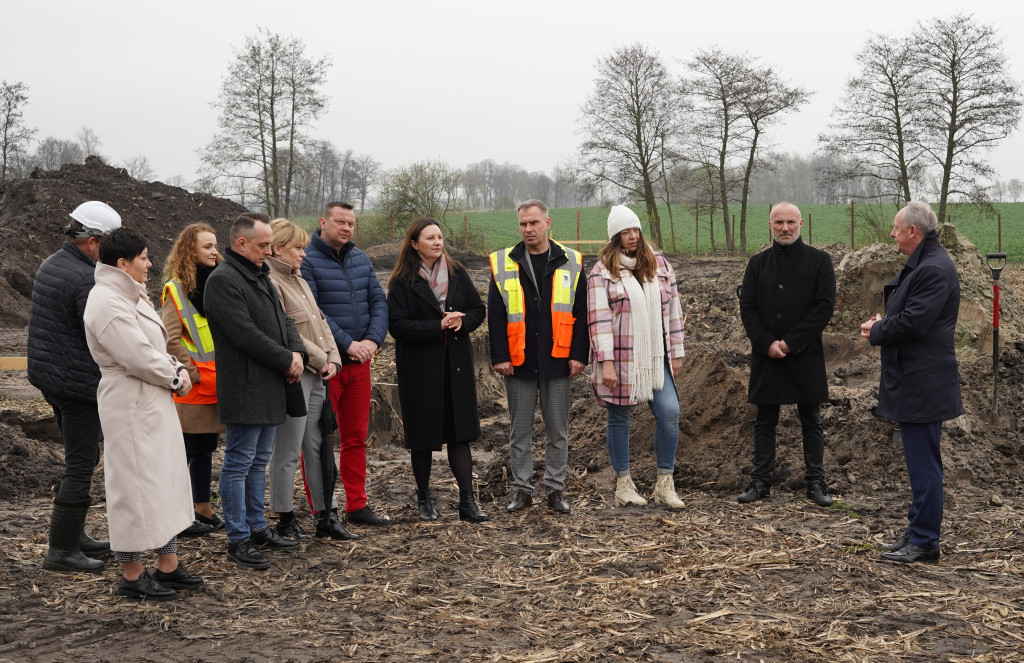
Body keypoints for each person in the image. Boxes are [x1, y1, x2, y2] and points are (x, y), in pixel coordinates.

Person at [83, 227, 203, 600]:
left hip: (151, 399)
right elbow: (134, 355)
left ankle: (168, 565)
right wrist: (175, 375)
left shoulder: (129, 295)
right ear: (123, 263)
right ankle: (132, 574)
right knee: (133, 490)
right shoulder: (105, 300)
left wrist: (173, 368)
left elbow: (152, 347)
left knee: (162, 482)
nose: (151, 264)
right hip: (130, 402)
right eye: (145, 258)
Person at [860, 202, 963, 564]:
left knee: (924, 466)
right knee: (920, 463)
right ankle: (916, 532)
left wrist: (878, 330)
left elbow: (915, 323)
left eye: (895, 228)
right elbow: (909, 314)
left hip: (924, 382)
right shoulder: (927, 263)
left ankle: (924, 541)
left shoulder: (934, 268)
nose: (891, 234)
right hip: (915, 379)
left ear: (913, 232)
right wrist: (883, 323)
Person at [204, 214, 307, 569]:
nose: (269, 250)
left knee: (259, 460)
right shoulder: (223, 281)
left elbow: (285, 322)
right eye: (263, 245)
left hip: (269, 383)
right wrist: (286, 360)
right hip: (245, 385)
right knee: (238, 462)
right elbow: (244, 333)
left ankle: (258, 527)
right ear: (241, 243)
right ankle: (238, 537)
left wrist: (297, 354)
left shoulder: (259, 275)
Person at [28, 201, 120, 573]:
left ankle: (74, 536)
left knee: (77, 460)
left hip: (52, 378)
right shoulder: (85, 278)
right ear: (92, 242)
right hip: (77, 383)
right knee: (81, 464)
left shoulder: (53, 262)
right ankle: (62, 549)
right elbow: (99, 333)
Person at [488, 199, 589, 514]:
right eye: (523, 224)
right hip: (518, 361)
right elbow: (496, 316)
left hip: (557, 360)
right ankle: (522, 490)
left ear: (547, 223)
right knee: (520, 430)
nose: (528, 229)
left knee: (557, 429)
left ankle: (555, 491)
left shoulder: (571, 261)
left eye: (533, 223)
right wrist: (500, 356)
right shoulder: (504, 262)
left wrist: (578, 355)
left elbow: (580, 312)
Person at [388, 218, 489, 522]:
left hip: (455, 365)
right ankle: (424, 498)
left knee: (460, 435)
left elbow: (477, 310)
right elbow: (397, 326)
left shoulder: (457, 273)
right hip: (420, 370)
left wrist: (462, 322)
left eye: (440, 237)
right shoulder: (402, 281)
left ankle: (467, 502)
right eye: (430, 238)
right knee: (423, 437)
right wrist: (437, 325)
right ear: (414, 244)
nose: (437, 242)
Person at [587, 205, 686, 509]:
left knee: (669, 414)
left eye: (635, 230)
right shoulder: (602, 271)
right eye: (624, 232)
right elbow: (599, 319)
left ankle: (664, 484)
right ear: (615, 237)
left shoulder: (660, 266)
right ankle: (623, 484)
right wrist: (606, 361)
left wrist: (678, 352)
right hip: (621, 359)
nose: (631, 236)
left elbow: (673, 311)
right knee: (619, 418)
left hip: (656, 359)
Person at [738, 201, 836, 507]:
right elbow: (748, 308)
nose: (784, 228)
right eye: (778, 222)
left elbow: (824, 307)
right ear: (770, 225)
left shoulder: (819, 261)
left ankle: (816, 483)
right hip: (767, 354)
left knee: (812, 419)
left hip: (804, 353)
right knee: (765, 419)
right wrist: (766, 342)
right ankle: (760, 482)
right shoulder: (757, 264)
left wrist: (791, 342)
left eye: (790, 222)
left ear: (801, 223)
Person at [265, 219, 356, 541]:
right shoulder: (272, 283)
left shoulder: (299, 280)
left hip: (318, 375)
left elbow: (320, 324)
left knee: (317, 446)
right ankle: (284, 516)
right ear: (277, 248)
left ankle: (326, 514)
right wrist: (322, 360)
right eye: (298, 247)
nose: (304, 254)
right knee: (288, 450)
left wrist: (332, 358)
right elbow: (287, 331)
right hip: (295, 377)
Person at [302, 202, 390, 527]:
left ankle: (357, 504)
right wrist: (347, 345)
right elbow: (314, 313)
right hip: (328, 365)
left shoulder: (360, 258)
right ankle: (323, 509)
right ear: (322, 221)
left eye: (351, 223)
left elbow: (378, 300)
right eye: (340, 221)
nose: (347, 228)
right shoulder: (307, 261)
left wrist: (372, 341)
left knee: (355, 436)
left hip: (360, 363)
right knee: (319, 438)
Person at [162, 223, 224, 538]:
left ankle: (202, 507)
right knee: (185, 451)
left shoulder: (219, 285)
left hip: (216, 387)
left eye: (215, 246)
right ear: (191, 251)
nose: (215, 251)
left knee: (206, 448)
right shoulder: (176, 290)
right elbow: (171, 340)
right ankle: (177, 514)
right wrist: (195, 374)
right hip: (193, 389)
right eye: (208, 246)